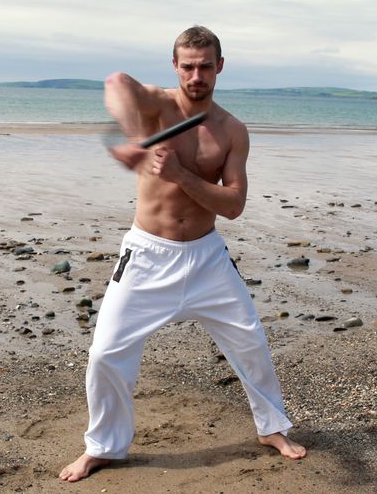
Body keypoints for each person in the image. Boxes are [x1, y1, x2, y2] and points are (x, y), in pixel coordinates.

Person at [59, 26, 306, 483]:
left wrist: (179, 174)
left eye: (205, 66)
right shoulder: (157, 106)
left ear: (220, 67)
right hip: (147, 254)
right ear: (176, 66)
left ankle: (272, 428)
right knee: (106, 353)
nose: (197, 75)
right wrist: (137, 138)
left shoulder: (231, 130)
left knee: (251, 341)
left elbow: (233, 205)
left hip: (207, 257)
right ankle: (104, 447)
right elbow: (116, 83)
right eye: (188, 65)